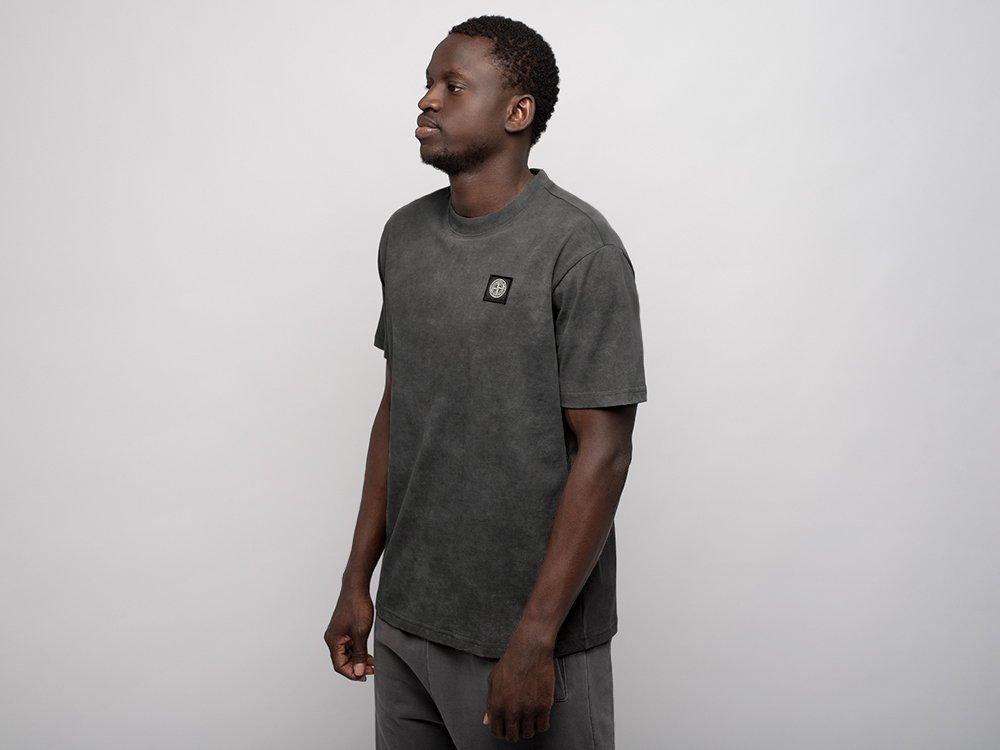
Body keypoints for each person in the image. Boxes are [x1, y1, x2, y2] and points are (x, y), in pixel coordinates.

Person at [324, 15, 647, 748]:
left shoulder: (579, 247)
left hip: (524, 645)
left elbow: (605, 453)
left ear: (517, 112)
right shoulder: (404, 235)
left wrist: (534, 640)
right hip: (406, 624)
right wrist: (356, 581)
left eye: (454, 86)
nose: (427, 100)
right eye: (428, 84)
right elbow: (399, 411)